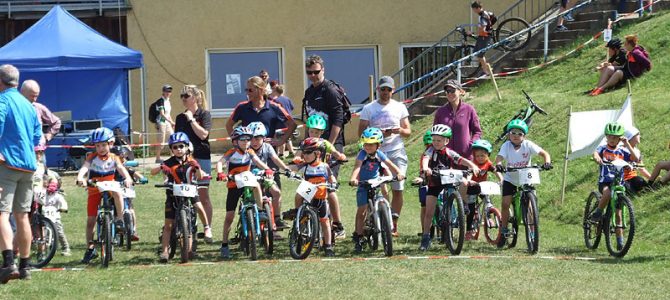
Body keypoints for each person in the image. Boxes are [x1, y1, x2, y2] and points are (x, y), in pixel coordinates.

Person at [0, 64, 42, 283]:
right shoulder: (28, 105)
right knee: (22, 216)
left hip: (7, 165)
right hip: (28, 165)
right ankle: (25, 267)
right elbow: (37, 137)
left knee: (1, 213)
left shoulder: (3, 101)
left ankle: (8, 264)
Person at [303, 55, 350, 238]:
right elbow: (309, 120)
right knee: (309, 183)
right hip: (313, 144)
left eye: (316, 72)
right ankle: (308, 220)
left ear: (323, 70)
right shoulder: (309, 92)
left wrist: (330, 145)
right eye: (309, 73)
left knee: (328, 186)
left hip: (331, 143)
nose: (313, 76)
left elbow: (338, 119)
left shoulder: (329, 90)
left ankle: (338, 225)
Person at [358, 76, 411, 237]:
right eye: (383, 89)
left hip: (396, 150)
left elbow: (408, 131)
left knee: (398, 187)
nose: (386, 92)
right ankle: (376, 219)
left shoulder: (399, 107)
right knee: (378, 187)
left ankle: (392, 224)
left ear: (393, 90)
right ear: (377, 90)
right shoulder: (369, 108)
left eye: (389, 89)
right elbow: (361, 132)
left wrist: (399, 130)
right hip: (375, 153)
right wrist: (375, 136)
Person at [76, 127, 133, 264]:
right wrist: (80, 177)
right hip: (94, 187)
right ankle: (90, 248)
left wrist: (127, 178)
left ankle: (119, 219)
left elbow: (120, 168)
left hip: (110, 186)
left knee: (118, 193)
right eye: (97, 145)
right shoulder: (92, 157)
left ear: (110, 144)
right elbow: (85, 167)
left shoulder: (114, 157)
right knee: (91, 220)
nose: (100, 148)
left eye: (103, 145)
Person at [419, 124, 480, 251]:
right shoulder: (430, 150)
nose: (436, 142)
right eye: (434, 139)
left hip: (447, 179)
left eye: (439, 140)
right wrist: (426, 168)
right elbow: (425, 159)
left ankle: (461, 207)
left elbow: (460, 159)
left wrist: (472, 165)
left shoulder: (449, 151)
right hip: (434, 181)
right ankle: (425, 238)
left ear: (446, 141)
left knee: (461, 185)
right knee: (429, 212)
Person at [151, 132, 210, 263]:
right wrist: (161, 167)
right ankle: (165, 251)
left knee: (198, 208)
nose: (178, 149)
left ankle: (207, 228)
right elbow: (152, 172)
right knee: (168, 225)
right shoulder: (168, 162)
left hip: (190, 192)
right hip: (173, 195)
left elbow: (200, 177)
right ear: (171, 149)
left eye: (181, 146)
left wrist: (198, 169)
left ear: (187, 147)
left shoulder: (192, 161)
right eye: (175, 147)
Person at [215, 126, 272, 259]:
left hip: (247, 180)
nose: (246, 142)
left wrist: (268, 169)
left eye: (248, 139)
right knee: (229, 216)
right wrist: (220, 173)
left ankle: (260, 210)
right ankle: (224, 244)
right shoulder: (231, 152)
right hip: (234, 183)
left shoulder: (250, 151)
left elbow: (258, 162)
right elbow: (220, 162)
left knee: (257, 186)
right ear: (235, 141)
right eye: (242, 139)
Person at [495, 119, 552, 248]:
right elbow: (499, 158)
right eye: (513, 133)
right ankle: (504, 231)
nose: (516, 136)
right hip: (511, 178)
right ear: (509, 134)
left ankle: (532, 232)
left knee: (531, 207)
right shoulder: (506, 146)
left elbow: (544, 153)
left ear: (524, 136)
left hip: (526, 177)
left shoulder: (528, 144)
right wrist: (499, 165)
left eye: (519, 134)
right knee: (505, 203)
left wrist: (547, 162)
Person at [290, 114, 347, 239]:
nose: (314, 134)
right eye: (312, 131)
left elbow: (335, 152)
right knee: (299, 196)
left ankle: (337, 223)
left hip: (324, 175)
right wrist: (297, 158)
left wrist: (340, 156)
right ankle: (300, 215)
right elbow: (298, 154)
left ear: (321, 133)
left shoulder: (324, 143)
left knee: (332, 194)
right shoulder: (305, 143)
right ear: (308, 130)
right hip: (310, 176)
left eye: (317, 132)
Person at [349, 128, 405, 253]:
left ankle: (385, 215)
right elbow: (357, 167)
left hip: (376, 183)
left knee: (382, 198)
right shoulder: (362, 154)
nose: (368, 146)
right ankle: (359, 237)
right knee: (362, 211)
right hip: (363, 184)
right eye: (366, 144)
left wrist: (399, 173)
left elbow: (389, 164)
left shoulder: (380, 154)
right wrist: (353, 178)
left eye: (371, 144)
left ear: (378, 145)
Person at [175, 84, 214, 243]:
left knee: (203, 195)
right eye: (182, 96)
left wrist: (191, 119)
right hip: (185, 159)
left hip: (202, 157)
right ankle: (184, 226)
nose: (183, 99)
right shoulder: (179, 117)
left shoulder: (204, 114)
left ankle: (207, 227)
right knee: (184, 193)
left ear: (196, 97)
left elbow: (203, 135)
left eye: (186, 96)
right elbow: (177, 139)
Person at [590, 123, 637, 249]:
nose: (612, 139)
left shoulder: (622, 150)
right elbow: (595, 153)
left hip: (618, 183)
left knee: (618, 214)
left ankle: (620, 242)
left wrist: (627, 144)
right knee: (606, 193)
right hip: (605, 182)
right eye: (610, 137)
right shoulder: (603, 149)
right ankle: (598, 212)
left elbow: (635, 158)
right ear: (606, 137)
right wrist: (597, 159)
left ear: (620, 138)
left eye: (615, 137)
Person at [288, 138, 337, 257]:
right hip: (308, 193)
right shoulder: (304, 166)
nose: (305, 155)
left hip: (320, 198)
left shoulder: (325, 166)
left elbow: (331, 177)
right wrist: (288, 171)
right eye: (304, 152)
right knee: (298, 195)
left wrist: (334, 183)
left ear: (318, 153)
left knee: (325, 222)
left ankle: (328, 246)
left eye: (308, 152)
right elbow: (292, 169)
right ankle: (298, 211)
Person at [226, 76, 297, 152]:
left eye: (250, 90)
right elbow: (228, 125)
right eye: (246, 90)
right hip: (248, 155)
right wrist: (237, 142)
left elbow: (292, 124)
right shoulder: (241, 107)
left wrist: (281, 141)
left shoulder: (274, 107)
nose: (247, 93)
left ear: (260, 90)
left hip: (269, 155)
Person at [246, 122, 292, 233]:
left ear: (264, 138)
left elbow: (275, 159)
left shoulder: (267, 147)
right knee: (248, 199)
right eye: (251, 139)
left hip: (264, 175)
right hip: (249, 177)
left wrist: (286, 168)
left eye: (257, 139)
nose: (254, 142)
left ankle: (276, 219)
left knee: (276, 192)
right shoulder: (246, 149)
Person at [433, 79, 482, 161]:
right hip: (445, 158)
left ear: (460, 91)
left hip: (466, 158)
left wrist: (471, 144)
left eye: (452, 90)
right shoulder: (440, 112)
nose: (449, 93)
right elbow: (434, 133)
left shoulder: (469, 109)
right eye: (447, 91)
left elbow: (477, 132)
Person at [464, 139, 502, 240]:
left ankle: (489, 217)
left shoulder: (488, 163)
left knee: (488, 201)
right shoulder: (472, 163)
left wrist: (502, 179)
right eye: (477, 156)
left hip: (483, 187)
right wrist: (468, 181)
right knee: (471, 211)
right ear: (474, 156)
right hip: (472, 187)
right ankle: (468, 230)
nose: (480, 158)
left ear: (487, 155)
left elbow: (495, 171)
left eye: (483, 156)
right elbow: (469, 173)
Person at [20, 80, 61, 153]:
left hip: (37, 152)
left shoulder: (38, 108)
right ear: (22, 92)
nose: (35, 99)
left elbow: (56, 122)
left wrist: (49, 135)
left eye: (36, 96)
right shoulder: (12, 108)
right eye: (32, 96)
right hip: (19, 151)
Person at [411, 129, 433, 236]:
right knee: (424, 206)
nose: (430, 148)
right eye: (428, 145)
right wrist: (421, 178)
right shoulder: (425, 155)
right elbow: (422, 170)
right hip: (425, 180)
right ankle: (424, 228)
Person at [269, 82, 296, 158]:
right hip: (289, 121)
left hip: (281, 121)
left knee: (280, 138)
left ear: (276, 91)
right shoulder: (287, 99)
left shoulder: (275, 100)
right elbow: (292, 107)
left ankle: (280, 154)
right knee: (287, 138)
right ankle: (291, 152)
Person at [469, 1, 495, 77]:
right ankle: (486, 70)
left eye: (474, 9)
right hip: (482, 36)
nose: (473, 11)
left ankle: (487, 71)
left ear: (478, 8)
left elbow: (483, 29)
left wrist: (473, 33)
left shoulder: (483, 16)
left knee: (480, 55)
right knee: (478, 53)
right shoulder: (483, 14)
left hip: (485, 36)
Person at [622, 127, 650, 193]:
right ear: (630, 137)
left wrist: (651, 178)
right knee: (630, 193)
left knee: (644, 184)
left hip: (633, 177)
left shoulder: (637, 151)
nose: (640, 136)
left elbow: (641, 168)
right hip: (622, 179)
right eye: (637, 134)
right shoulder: (621, 150)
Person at [154, 84, 175, 163]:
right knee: (161, 142)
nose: (168, 92)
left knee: (173, 139)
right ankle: (157, 158)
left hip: (167, 122)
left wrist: (171, 122)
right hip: (161, 122)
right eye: (166, 91)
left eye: (169, 91)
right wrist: (171, 122)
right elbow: (162, 114)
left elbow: (168, 114)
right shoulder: (160, 101)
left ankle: (173, 156)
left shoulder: (168, 101)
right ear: (163, 92)